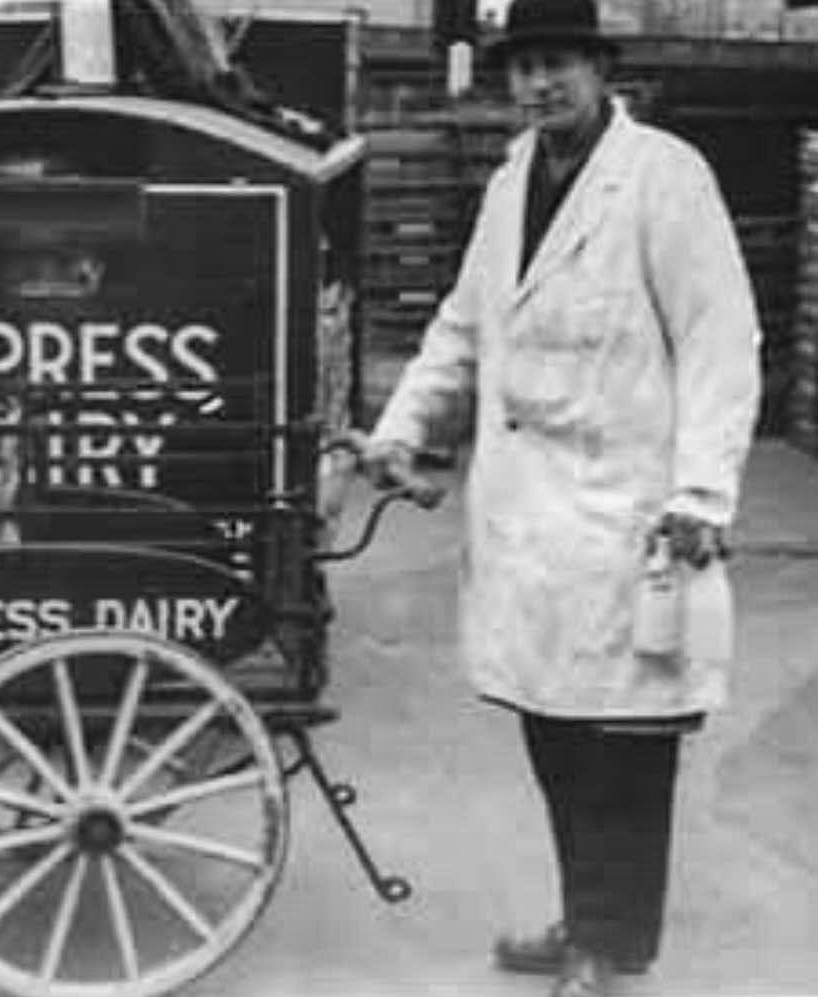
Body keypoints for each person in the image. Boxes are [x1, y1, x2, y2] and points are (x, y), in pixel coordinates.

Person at [339, 0, 762, 995]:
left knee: (623, 749)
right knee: (554, 734)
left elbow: (719, 338)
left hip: (630, 513)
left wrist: (703, 491)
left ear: (597, 69)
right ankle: (584, 918)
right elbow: (460, 324)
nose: (539, 85)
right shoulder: (506, 184)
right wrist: (402, 428)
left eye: (559, 63)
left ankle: (610, 947)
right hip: (527, 517)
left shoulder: (663, 178)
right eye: (524, 68)